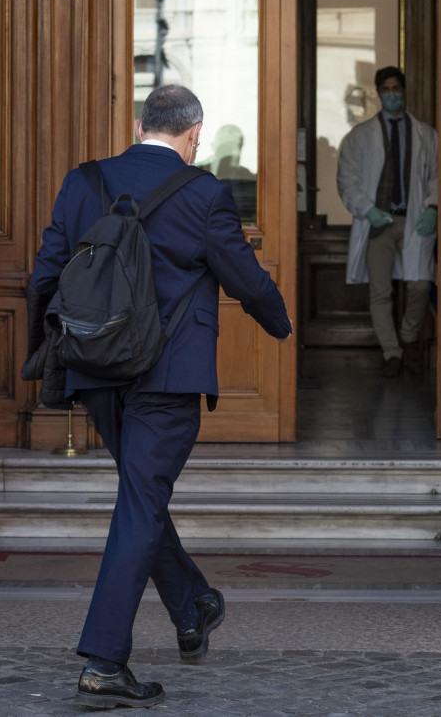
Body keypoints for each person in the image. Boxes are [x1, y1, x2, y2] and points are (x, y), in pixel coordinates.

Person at [27, 84, 291, 710]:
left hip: (96, 368)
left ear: (138, 122)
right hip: (168, 376)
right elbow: (243, 278)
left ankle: (193, 604)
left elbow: (44, 273)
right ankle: (103, 662)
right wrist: (281, 324)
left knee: (141, 500)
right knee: (142, 505)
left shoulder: (83, 180)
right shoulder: (204, 193)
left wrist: (52, 357)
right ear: (194, 134)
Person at [336, 66, 438, 377]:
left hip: (413, 219)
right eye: (386, 89)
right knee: (380, 292)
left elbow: (436, 176)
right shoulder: (360, 136)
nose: (392, 94)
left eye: (397, 88)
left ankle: (408, 339)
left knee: (420, 285)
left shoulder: (425, 133)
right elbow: (347, 180)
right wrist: (368, 210)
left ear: (404, 91)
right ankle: (391, 353)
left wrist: (433, 207)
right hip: (378, 221)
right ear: (378, 93)